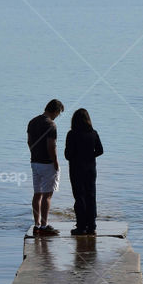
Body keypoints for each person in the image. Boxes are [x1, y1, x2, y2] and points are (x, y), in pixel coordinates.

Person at [27, 99, 64, 236]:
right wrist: (56, 163)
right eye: (58, 113)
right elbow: (51, 146)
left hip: (34, 162)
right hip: (47, 163)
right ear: (56, 111)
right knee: (47, 195)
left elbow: (29, 141)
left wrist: (34, 154)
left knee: (37, 194)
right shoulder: (51, 125)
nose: (57, 116)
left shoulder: (33, 121)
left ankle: (36, 224)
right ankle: (44, 225)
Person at [64, 108, 104, 236]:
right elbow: (100, 150)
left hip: (76, 169)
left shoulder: (72, 134)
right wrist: (90, 156)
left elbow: (68, 155)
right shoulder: (93, 133)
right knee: (91, 196)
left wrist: (77, 156)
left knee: (79, 196)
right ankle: (91, 225)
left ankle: (81, 226)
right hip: (91, 169)